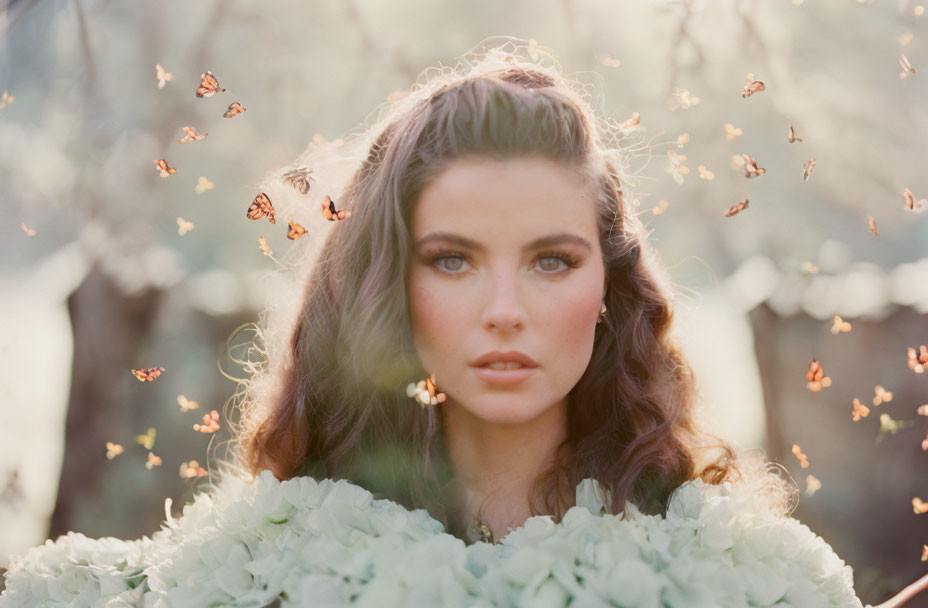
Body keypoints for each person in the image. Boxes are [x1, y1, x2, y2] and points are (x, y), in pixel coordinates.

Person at [1, 39, 884, 607]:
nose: (506, 312)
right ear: (389, 282)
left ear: (608, 286)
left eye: (551, 261)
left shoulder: (746, 576)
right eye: (452, 260)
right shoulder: (259, 564)